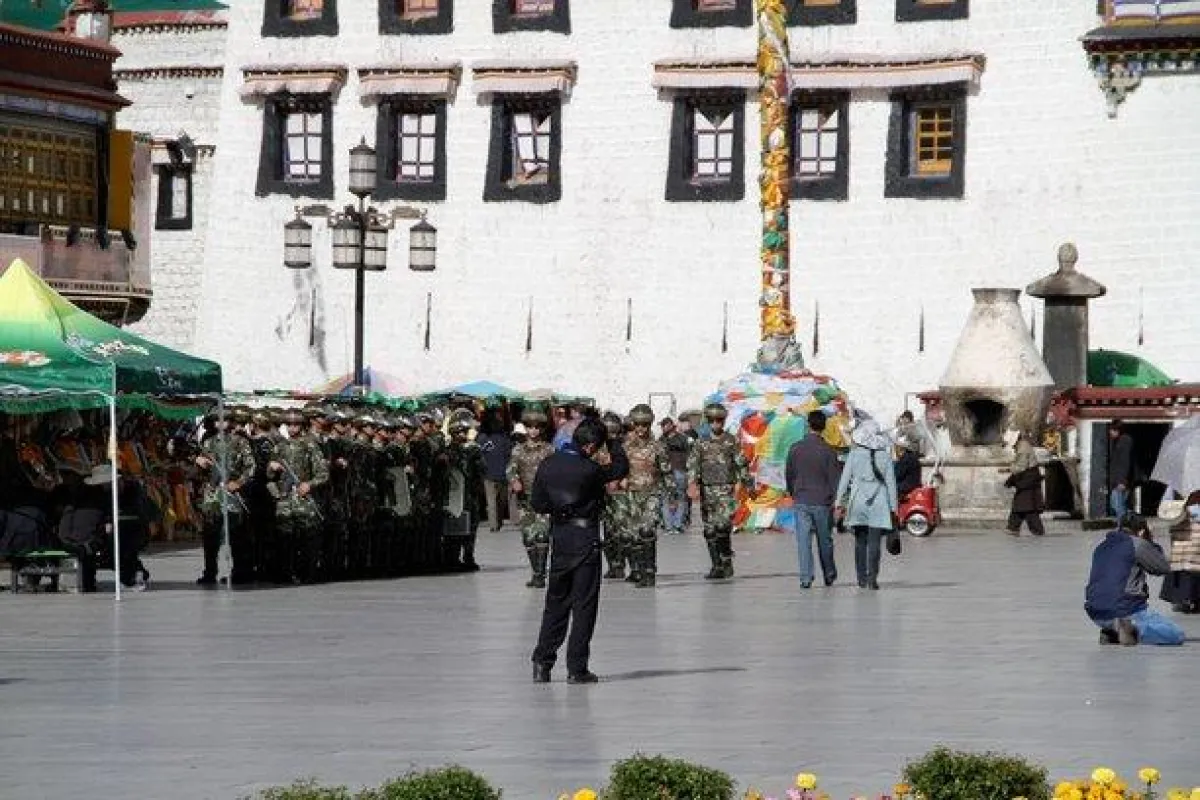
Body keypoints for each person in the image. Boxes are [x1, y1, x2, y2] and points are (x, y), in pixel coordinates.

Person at [530, 417, 629, 684]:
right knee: (584, 606)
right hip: (585, 540)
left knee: (555, 604)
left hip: (560, 539)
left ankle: (542, 662)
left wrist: (560, 509)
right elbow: (620, 467)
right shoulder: (591, 469)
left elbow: (538, 503)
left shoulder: (547, 464)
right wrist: (613, 441)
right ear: (590, 446)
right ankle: (577, 668)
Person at [1085, 513, 1184, 645]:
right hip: (1126, 609)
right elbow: (1162, 567)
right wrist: (1150, 542)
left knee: (1118, 615)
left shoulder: (1101, 546)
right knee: (1175, 634)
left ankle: (1112, 631)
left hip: (1096, 613)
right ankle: (1133, 630)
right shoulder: (1137, 544)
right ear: (1142, 531)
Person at [687, 403, 751, 580]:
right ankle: (716, 565)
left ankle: (726, 559)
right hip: (707, 490)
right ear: (708, 422)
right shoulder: (701, 443)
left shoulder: (731, 441)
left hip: (725, 489)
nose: (716, 424)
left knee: (723, 526)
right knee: (709, 530)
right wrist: (692, 484)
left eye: (719, 420)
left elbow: (741, 463)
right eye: (712, 421)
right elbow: (693, 464)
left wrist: (748, 484)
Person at [834, 418, 898, 591]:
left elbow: (844, 480)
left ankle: (861, 578)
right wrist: (894, 509)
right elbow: (891, 484)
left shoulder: (854, 455)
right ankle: (872, 578)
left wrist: (838, 502)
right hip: (879, 502)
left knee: (860, 541)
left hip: (858, 502)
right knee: (875, 542)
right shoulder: (885, 456)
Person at [194, 410, 256, 586]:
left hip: (232, 493)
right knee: (210, 535)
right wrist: (199, 463)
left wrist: (239, 482)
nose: (221, 424)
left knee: (236, 535)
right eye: (218, 421)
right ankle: (209, 572)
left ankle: (239, 572)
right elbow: (199, 472)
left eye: (225, 421)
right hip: (213, 494)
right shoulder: (208, 443)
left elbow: (250, 467)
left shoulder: (240, 442)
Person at [785, 410, 842, 589]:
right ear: (823, 427)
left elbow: (789, 474)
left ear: (808, 424)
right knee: (824, 541)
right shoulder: (829, 451)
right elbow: (835, 480)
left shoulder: (795, 448)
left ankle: (806, 577)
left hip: (801, 499)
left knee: (803, 542)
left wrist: (793, 493)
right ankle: (829, 573)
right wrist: (837, 503)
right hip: (822, 502)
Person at [624, 404, 673, 588]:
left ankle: (650, 572)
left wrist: (672, 496)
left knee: (647, 531)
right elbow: (619, 468)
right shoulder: (626, 446)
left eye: (644, 425)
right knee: (635, 535)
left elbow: (667, 471)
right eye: (637, 424)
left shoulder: (658, 447)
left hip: (652, 492)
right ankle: (638, 570)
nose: (641, 429)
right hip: (632, 493)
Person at [507, 407, 555, 587]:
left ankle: (541, 574)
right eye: (529, 427)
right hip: (524, 499)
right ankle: (535, 571)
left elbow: (555, 472)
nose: (533, 431)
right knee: (528, 537)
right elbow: (510, 469)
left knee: (542, 535)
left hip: (544, 499)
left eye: (537, 427)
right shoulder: (517, 450)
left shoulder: (549, 450)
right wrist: (514, 480)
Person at [1159, 491, 1200, 614]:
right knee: (1185, 567)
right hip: (1185, 531)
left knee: (1188, 567)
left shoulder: (1174, 489)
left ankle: (1188, 599)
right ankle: (1186, 599)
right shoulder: (1174, 491)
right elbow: (1167, 512)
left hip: (1189, 533)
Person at [477, 409, 514, 532]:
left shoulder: (481, 438)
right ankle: (498, 522)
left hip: (488, 474)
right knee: (501, 501)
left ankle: (494, 525)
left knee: (491, 500)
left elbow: (478, 455)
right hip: (502, 473)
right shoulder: (504, 439)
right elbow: (509, 455)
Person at [1004, 432, 1045, 537]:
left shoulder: (1023, 448)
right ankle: (1013, 527)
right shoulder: (1022, 445)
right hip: (1028, 477)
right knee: (1021, 504)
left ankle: (1036, 529)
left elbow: (1021, 467)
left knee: (1026, 505)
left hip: (1028, 478)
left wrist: (1010, 469)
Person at [659, 417, 691, 533]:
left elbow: (688, 454)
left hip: (679, 470)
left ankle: (677, 524)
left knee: (681, 497)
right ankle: (668, 525)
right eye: (662, 426)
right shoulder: (661, 439)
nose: (663, 428)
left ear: (671, 426)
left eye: (665, 425)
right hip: (665, 473)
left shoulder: (681, 438)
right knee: (665, 498)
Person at [1107, 420, 1134, 519]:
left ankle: (1125, 524)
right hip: (1117, 480)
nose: (1110, 433)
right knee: (1116, 504)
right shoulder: (1118, 441)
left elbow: (1125, 462)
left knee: (1117, 505)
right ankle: (1125, 524)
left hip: (1121, 481)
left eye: (1112, 430)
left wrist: (1122, 481)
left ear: (1117, 430)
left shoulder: (1125, 441)